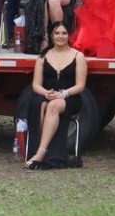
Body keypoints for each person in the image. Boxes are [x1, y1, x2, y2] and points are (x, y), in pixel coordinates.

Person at [24, 21, 88, 170]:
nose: (60, 36)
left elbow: (80, 86)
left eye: (64, 33)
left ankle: (41, 153)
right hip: (48, 94)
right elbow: (36, 85)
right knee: (39, 104)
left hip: (70, 97)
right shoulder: (42, 57)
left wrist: (63, 94)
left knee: (52, 105)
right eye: (57, 33)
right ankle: (39, 150)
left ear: (69, 35)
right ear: (51, 36)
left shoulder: (78, 56)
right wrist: (46, 93)